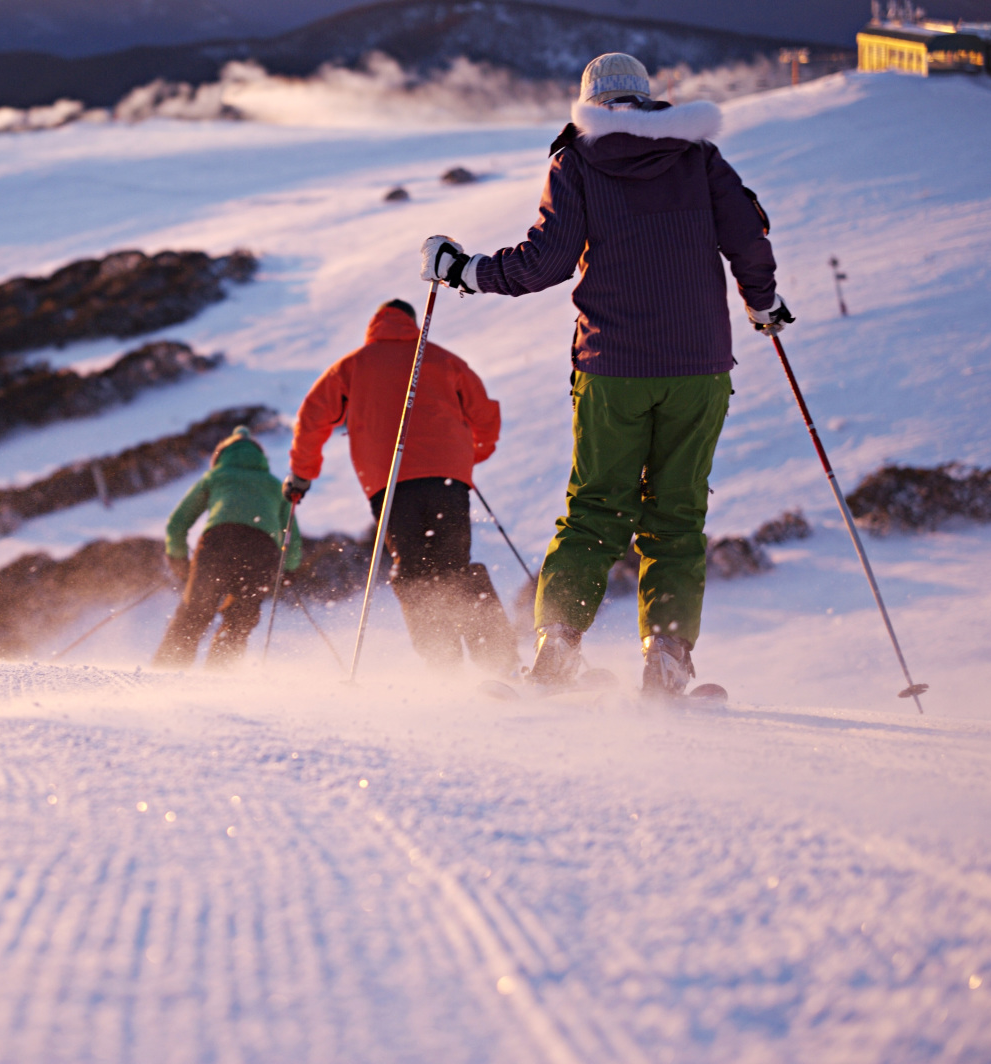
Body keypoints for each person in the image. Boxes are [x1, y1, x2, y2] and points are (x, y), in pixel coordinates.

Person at [418, 52, 790, 697]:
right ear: (647, 99)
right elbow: (748, 239)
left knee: (594, 510)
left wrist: (465, 272)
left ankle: (558, 648)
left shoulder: (578, 161)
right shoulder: (698, 156)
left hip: (612, 366)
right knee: (676, 515)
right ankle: (666, 657)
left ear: (588, 102)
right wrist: (763, 304)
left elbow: (545, 263)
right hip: (699, 366)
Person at [283, 299, 518, 674]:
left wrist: (302, 474)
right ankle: (500, 663)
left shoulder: (351, 366)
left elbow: (312, 417)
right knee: (454, 564)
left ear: (375, 325)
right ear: (412, 323)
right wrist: (474, 453)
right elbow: (484, 411)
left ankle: (443, 665)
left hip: (389, 483)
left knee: (413, 569)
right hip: (447, 479)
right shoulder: (442, 359)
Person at [153, 426, 301, 669]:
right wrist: (290, 570)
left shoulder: (215, 477)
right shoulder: (275, 486)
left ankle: (166, 671)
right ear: (261, 458)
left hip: (219, 543)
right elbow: (291, 536)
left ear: (220, 456)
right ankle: (219, 678)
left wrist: (178, 558)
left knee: (195, 612)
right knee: (239, 622)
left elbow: (177, 522)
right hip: (263, 551)